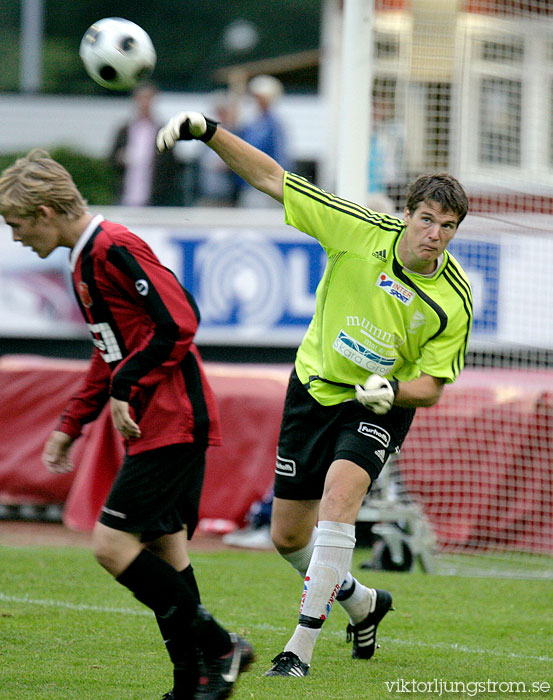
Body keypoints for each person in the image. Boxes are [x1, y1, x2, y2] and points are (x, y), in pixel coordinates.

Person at [156, 112, 472, 678]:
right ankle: (362, 601)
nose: (435, 235)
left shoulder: (454, 297)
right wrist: (207, 130)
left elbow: (431, 387)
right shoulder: (356, 230)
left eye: (448, 226)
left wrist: (391, 389)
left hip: (379, 405)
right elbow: (273, 178)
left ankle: (297, 650)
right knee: (287, 536)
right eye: (427, 220)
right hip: (313, 388)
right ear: (407, 215)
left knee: (341, 499)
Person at [0, 149, 253, 700]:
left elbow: (180, 321)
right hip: (154, 423)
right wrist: (74, 420)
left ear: (44, 211)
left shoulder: (113, 246)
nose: (15, 237)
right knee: (166, 550)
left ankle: (221, 647)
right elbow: (108, 350)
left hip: (173, 419)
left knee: (112, 545)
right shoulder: (81, 260)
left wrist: (124, 387)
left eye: (16, 224)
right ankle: (190, 683)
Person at [109, 81, 182, 206]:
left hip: (155, 197)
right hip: (126, 194)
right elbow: (111, 159)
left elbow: (171, 165)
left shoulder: (163, 132)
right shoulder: (124, 130)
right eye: (141, 98)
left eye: (148, 98)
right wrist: (120, 158)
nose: (144, 103)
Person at [234, 75, 291, 208]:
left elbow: (280, 156)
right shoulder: (253, 122)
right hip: (250, 184)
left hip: (265, 186)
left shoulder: (274, 124)